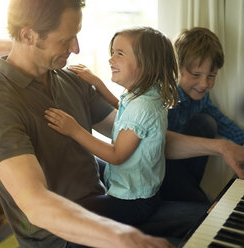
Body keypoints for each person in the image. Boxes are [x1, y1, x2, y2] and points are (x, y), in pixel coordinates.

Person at [0, 0, 244, 247]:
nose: (76, 48)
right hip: (63, 237)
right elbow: (36, 204)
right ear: (28, 35)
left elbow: (143, 138)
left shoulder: (69, 80)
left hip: (110, 199)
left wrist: (220, 147)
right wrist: (121, 237)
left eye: (77, 36)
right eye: (66, 39)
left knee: (215, 221)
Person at [44, 26, 179, 226]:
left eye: (120, 54)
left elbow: (116, 155)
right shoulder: (147, 93)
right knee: (87, 162)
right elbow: (121, 106)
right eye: (112, 53)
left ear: (147, 65)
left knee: (73, 214)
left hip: (132, 202)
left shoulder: (142, 107)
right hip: (141, 192)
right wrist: (97, 82)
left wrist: (74, 129)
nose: (111, 59)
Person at [159, 27, 244, 202]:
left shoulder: (201, 97)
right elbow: (158, 147)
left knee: (207, 122)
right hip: (160, 164)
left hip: (181, 161)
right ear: (177, 69)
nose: (204, 83)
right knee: (203, 205)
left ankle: (191, 193)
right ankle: (195, 200)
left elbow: (221, 121)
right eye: (196, 74)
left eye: (211, 76)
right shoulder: (166, 98)